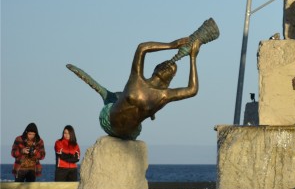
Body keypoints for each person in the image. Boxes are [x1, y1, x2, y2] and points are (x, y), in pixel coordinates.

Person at [65, 20, 217, 140]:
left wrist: (192, 57)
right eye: (164, 65)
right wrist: (171, 45)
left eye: (171, 70)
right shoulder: (137, 78)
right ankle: (113, 97)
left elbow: (192, 90)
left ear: (169, 80)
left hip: (129, 133)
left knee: (119, 97)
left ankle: (115, 98)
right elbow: (142, 48)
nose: (168, 67)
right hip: (109, 120)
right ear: (155, 69)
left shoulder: (164, 95)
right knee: (114, 96)